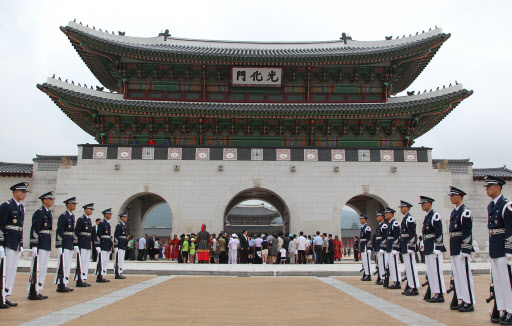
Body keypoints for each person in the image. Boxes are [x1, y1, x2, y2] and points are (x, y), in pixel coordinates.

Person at [484, 176, 512, 323]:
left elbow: (510, 229)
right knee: (499, 282)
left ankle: (511, 310)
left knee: (507, 282)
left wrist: (509, 250)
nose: (487, 189)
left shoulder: (506, 205)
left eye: (490, 186)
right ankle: (503, 309)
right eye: (487, 187)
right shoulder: (490, 206)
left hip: (503, 249)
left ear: (498, 187)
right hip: (495, 248)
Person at [0, 182, 29, 308]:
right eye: (22, 192)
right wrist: (0, 243)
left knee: (12, 270)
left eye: (25, 192)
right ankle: (1, 296)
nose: (24, 194)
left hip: (16, 243)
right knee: (5, 270)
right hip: (8, 242)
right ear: (15, 192)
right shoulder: (6, 206)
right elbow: (1, 225)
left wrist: (21, 243)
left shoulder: (21, 208)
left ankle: (6, 295)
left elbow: (20, 227)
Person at [447, 186, 475, 312]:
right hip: (454, 246)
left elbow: (467, 232)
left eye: (453, 196)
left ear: (459, 196)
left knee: (465, 275)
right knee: (458, 275)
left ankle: (469, 301)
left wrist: (466, 248)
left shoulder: (465, 212)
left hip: (461, 247)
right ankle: (462, 299)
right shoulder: (454, 212)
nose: (451, 198)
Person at [27, 191, 54, 301]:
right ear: (44, 200)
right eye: (50, 199)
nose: (52, 201)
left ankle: (38, 289)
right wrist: (34, 244)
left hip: (46, 242)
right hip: (40, 243)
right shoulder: (39, 212)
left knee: (43, 268)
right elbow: (34, 229)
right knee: (37, 267)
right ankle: (32, 290)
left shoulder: (49, 213)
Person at [420, 196, 446, 303]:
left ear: (429, 203)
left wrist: (438, 247)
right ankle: (434, 291)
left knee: (436, 271)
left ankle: (439, 293)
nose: (422, 205)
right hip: (428, 246)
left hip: (434, 247)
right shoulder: (427, 217)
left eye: (423, 203)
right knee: (431, 271)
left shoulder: (434, 216)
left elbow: (438, 232)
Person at [56, 197, 78, 293]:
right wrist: (59, 245)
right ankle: (60, 283)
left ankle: (65, 282)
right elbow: (59, 231)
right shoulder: (63, 216)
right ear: (68, 205)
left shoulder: (72, 216)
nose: (75, 205)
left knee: (68, 264)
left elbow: (72, 232)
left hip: (69, 243)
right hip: (64, 243)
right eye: (73, 204)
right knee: (63, 264)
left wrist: (74, 244)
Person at [399, 200, 419, 296]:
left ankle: (414, 287)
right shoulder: (405, 219)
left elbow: (412, 234)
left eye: (402, 207)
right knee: (408, 268)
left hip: (408, 246)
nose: (400, 209)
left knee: (411, 267)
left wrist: (411, 246)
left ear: (407, 208)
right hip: (404, 246)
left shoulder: (409, 219)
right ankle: (410, 286)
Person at [74, 203, 95, 288]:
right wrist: (76, 243)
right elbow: (77, 232)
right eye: (90, 209)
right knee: (81, 262)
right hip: (82, 243)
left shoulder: (89, 220)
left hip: (87, 243)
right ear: (86, 209)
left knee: (86, 262)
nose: (91, 211)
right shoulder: (81, 219)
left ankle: (83, 277)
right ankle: (79, 278)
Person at [384, 207, 401, 290]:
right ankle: (394, 281)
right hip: (389, 247)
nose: (385, 215)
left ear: (391, 214)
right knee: (391, 265)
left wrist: (395, 247)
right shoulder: (390, 224)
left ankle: (397, 282)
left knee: (395, 265)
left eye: (387, 213)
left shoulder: (395, 223)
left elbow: (397, 236)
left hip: (393, 248)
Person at [95, 208, 113, 283]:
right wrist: (97, 245)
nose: (110, 215)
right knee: (101, 260)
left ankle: (103, 274)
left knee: (105, 260)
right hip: (102, 244)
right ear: (105, 214)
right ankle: (99, 275)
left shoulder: (108, 223)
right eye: (109, 214)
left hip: (107, 244)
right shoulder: (102, 223)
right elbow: (98, 235)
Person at [114, 212, 128, 279]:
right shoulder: (119, 225)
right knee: (118, 259)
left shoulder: (124, 225)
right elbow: (116, 236)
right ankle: (117, 272)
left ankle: (120, 272)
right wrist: (116, 245)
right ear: (122, 217)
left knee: (121, 259)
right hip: (119, 244)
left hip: (123, 245)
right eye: (125, 217)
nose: (126, 218)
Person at [375, 210, 387, 285]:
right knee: (380, 264)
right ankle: (381, 277)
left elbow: (385, 237)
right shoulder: (380, 226)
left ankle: (383, 278)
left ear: (382, 217)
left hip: (382, 248)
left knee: (383, 264)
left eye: (378, 216)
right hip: (379, 247)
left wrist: (382, 247)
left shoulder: (384, 226)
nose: (377, 217)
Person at [359, 215, 372, 281]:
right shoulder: (362, 228)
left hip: (366, 247)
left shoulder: (367, 228)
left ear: (364, 219)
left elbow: (368, 239)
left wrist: (368, 248)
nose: (360, 220)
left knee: (367, 261)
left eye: (361, 219)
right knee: (364, 262)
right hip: (362, 246)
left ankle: (369, 275)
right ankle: (366, 273)